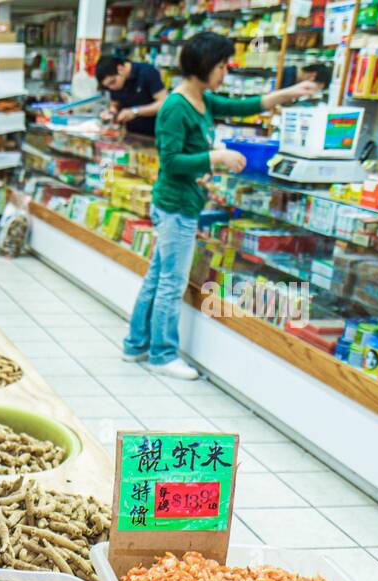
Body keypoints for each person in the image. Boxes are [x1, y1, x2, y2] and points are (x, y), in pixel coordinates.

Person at [123, 32, 321, 380]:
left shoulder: (202, 100)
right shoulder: (175, 106)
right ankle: (162, 354)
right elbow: (170, 162)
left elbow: (243, 106)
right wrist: (215, 157)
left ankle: (135, 344)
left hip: (182, 204)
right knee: (171, 282)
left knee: (158, 277)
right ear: (203, 65)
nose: (225, 72)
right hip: (175, 207)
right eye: (220, 65)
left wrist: (289, 93)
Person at [97, 55, 168, 136]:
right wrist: (112, 111)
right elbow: (115, 102)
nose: (112, 88)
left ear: (120, 68)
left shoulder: (147, 72)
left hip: (153, 135)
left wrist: (135, 111)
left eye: (112, 82)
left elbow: (164, 104)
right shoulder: (115, 82)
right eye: (107, 86)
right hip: (131, 135)